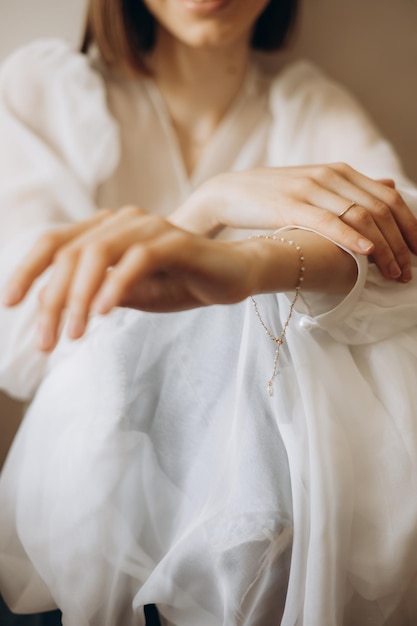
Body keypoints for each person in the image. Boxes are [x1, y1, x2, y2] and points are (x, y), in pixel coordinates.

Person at [0, 0, 417, 624]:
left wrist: (248, 267)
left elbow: (403, 243)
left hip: (284, 509)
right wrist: (205, 210)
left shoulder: (305, 105)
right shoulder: (44, 89)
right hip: (96, 499)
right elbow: (24, 339)